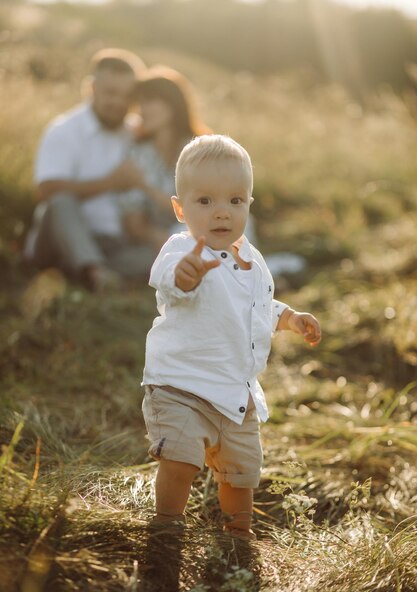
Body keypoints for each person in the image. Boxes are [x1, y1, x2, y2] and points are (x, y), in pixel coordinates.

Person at [141, 134, 321, 539]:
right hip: (181, 385)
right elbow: (170, 281)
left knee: (241, 474)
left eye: (235, 201)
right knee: (181, 460)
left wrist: (288, 317)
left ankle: (238, 535)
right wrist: (185, 276)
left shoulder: (253, 260)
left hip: (237, 397)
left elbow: (256, 306)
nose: (221, 212)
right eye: (205, 201)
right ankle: (167, 527)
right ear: (180, 207)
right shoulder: (182, 250)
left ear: (248, 204)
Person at [24, 48, 156, 291]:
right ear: (91, 89)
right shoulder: (64, 130)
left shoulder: (136, 134)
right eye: (111, 93)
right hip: (58, 242)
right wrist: (111, 182)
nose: (119, 102)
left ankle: (95, 271)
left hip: (113, 245)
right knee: (60, 202)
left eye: (127, 95)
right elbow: (47, 191)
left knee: (165, 250)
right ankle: (96, 274)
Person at [118, 66, 211, 252]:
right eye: (140, 104)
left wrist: (146, 187)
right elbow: (133, 223)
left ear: (172, 105)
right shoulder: (137, 154)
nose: (141, 111)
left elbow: (206, 211)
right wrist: (161, 238)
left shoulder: (202, 151)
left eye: (149, 102)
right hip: (164, 243)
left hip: (210, 233)